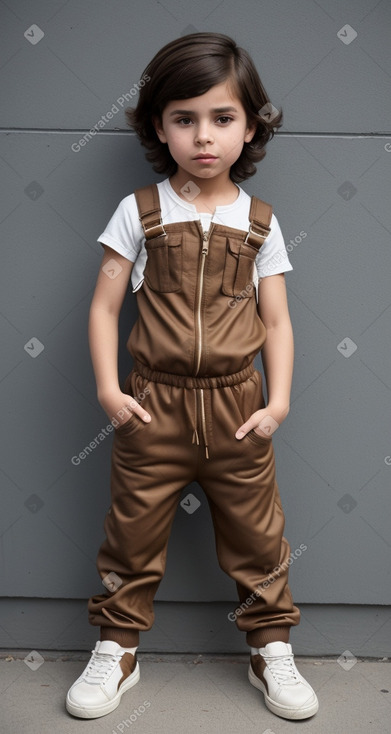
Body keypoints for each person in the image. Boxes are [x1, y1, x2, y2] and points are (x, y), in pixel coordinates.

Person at [66, 32, 319, 722]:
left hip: (238, 409)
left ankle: (271, 648)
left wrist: (279, 402)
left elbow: (276, 324)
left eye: (221, 118)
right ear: (158, 126)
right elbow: (104, 305)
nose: (202, 137)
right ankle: (116, 648)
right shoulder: (138, 213)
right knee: (131, 532)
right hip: (153, 408)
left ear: (249, 126)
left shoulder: (260, 224)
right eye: (183, 119)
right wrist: (109, 390)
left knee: (258, 536)